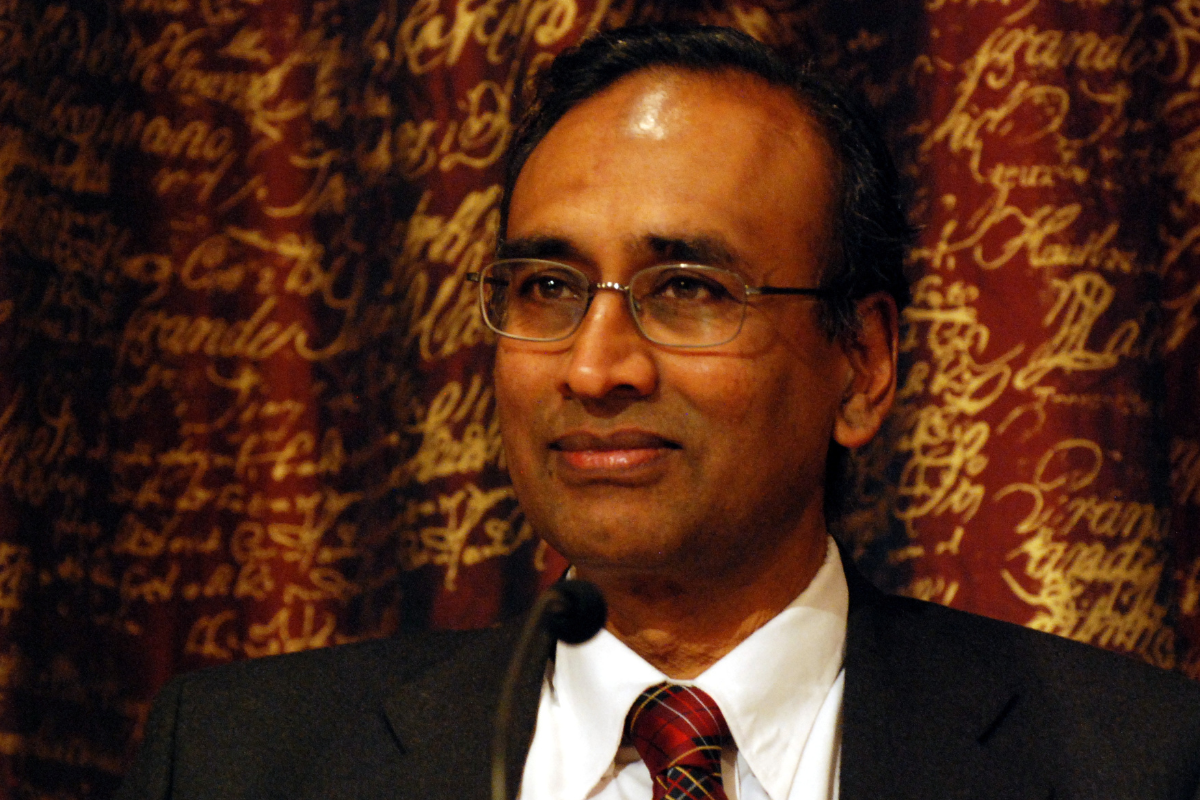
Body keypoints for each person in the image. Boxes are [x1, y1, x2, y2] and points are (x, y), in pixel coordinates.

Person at [117, 24, 1200, 800]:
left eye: (685, 289)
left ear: (863, 366)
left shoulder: (1133, 760)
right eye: (546, 287)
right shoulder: (237, 760)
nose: (594, 367)